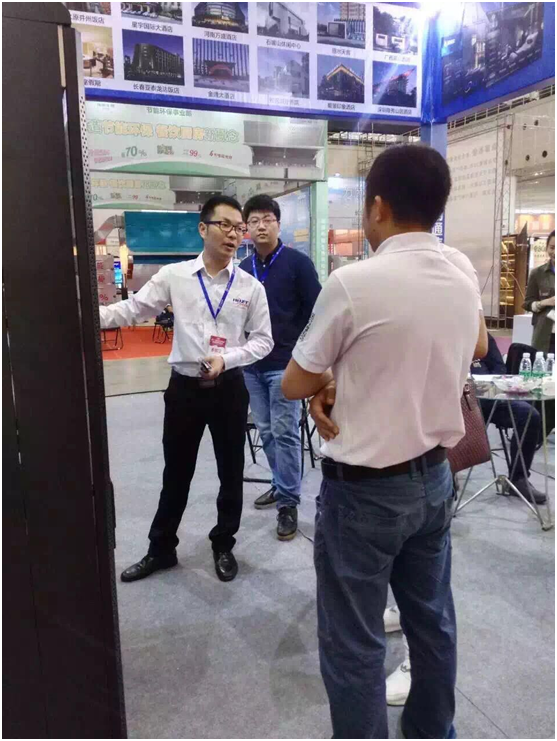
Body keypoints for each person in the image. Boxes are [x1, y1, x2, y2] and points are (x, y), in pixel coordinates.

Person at [282, 144, 479, 739]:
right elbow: (474, 347)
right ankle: (433, 731)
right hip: (435, 479)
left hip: (364, 494)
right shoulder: (461, 272)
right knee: (432, 623)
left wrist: (328, 382)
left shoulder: (355, 283)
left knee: (354, 643)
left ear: (377, 208)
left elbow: (294, 382)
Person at [99, 195, 273, 583]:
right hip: (184, 392)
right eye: (225, 225)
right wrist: (89, 315)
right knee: (176, 473)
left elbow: (264, 340)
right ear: (203, 228)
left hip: (229, 389)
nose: (233, 234)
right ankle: (161, 549)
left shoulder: (250, 287)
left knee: (231, 472)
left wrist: (228, 358)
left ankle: (223, 543)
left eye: (238, 228)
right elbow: (134, 309)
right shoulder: (175, 276)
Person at [239, 195, 321, 540]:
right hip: (251, 365)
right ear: (247, 227)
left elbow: (318, 312)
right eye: (254, 220)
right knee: (267, 431)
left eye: (267, 219)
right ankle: (281, 482)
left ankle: (288, 502)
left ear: (278, 224)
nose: (261, 226)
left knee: (285, 432)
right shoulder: (243, 269)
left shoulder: (297, 264)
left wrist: (304, 355)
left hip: (286, 365)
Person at [524, 230, 555, 354]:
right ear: (547, 248)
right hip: (545, 334)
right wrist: (545, 302)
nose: (555, 252)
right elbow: (527, 303)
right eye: (552, 247)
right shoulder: (537, 274)